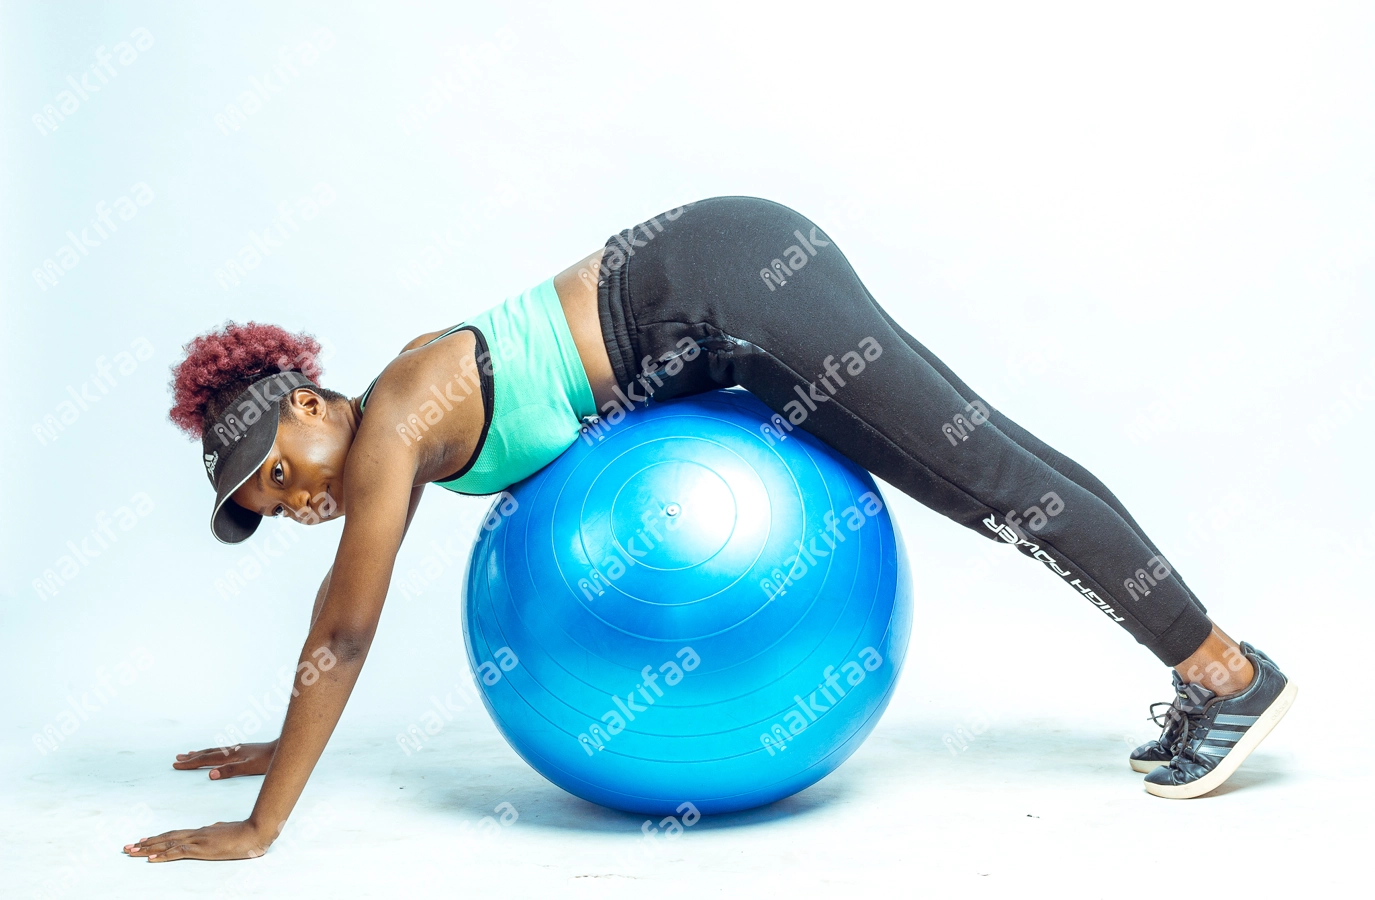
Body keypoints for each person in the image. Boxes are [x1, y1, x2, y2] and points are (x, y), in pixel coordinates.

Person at [125, 196, 1295, 862]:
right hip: (724, 300)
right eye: (270, 505)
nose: (295, 499)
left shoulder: (392, 423)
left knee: (986, 473)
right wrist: (285, 750)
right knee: (987, 464)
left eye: (281, 469)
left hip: (724, 288)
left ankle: (1223, 672)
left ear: (315, 405)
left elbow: (346, 621)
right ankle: (1213, 663)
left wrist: (261, 823)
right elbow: (342, 622)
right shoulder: (398, 419)